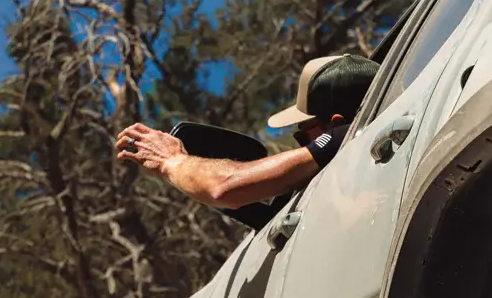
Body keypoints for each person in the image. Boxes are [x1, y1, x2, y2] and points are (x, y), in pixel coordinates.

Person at [116, 54, 378, 209]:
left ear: (335, 124)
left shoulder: (348, 134)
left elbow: (224, 188)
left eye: (305, 134)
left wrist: (171, 160)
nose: (303, 144)